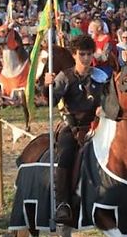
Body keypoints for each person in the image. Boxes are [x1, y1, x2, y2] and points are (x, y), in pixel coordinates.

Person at [43, 35, 105, 224]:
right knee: (66, 153)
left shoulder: (100, 76)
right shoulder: (65, 76)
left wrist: (105, 107)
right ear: (74, 54)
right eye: (82, 54)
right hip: (72, 126)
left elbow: (111, 99)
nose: (86, 58)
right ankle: (63, 204)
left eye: (89, 54)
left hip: (97, 125)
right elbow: (51, 101)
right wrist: (47, 87)